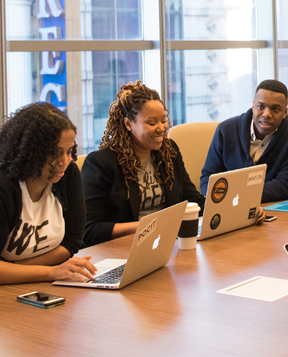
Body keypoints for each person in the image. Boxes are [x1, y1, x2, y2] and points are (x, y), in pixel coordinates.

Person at [81, 80, 205, 246]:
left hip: (165, 243)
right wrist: (146, 227)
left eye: (164, 120)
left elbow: (191, 200)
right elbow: (89, 230)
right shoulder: (101, 163)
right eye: (152, 123)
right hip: (123, 248)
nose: (162, 128)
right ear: (128, 124)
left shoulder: (168, 151)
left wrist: (220, 209)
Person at [0, 102, 96, 284]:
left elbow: (71, 242)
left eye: (69, 152)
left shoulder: (68, 175)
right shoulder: (4, 187)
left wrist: (21, 268)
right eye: (54, 153)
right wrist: (50, 272)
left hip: (38, 283)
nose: (65, 162)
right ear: (30, 151)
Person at [200, 79, 288, 203]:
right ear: (253, 106)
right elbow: (209, 177)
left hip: (273, 210)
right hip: (228, 207)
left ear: (285, 112)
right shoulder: (226, 131)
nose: (266, 114)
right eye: (260, 106)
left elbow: (284, 184)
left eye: (275, 109)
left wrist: (239, 195)